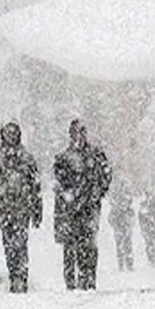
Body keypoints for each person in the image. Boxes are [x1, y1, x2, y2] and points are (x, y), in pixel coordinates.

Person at [54, 119, 112, 290]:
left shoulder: (96, 155)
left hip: (89, 208)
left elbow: (106, 175)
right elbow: (58, 185)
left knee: (89, 246)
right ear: (70, 135)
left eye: (82, 132)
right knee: (70, 247)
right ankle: (71, 282)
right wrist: (66, 199)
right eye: (75, 133)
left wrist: (97, 193)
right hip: (70, 210)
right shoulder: (63, 158)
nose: (79, 137)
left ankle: (89, 279)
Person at [0, 121, 42, 293]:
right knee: (9, 247)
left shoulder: (26, 157)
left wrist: (37, 210)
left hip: (22, 210)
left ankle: (22, 279)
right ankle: (14, 278)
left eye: (13, 132)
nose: (11, 136)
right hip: (5, 210)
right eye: (7, 132)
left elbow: (35, 186)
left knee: (21, 246)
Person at [107, 177, 135, 272]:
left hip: (121, 220)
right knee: (125, 243)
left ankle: (124, 263)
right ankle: (127, 263)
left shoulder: (117, 192)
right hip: (121, 220)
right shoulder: (122, 191)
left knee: (123, 243)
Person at [137, 191, 155, 268]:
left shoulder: (152, 207)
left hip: (154, 229)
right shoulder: (149, 207)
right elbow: (141, 219)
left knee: (153, 245)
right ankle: (153, 261)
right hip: (152, 229)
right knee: (152, 245)